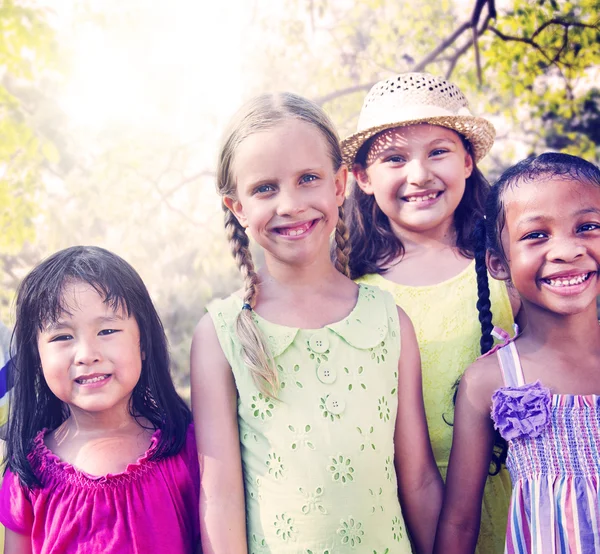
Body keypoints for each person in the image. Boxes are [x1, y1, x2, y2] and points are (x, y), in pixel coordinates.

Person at [191, 92, 442, 554]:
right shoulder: (220, 334)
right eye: (265, 188)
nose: (290, 203)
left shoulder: (388, 320)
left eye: (308, 178)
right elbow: (220, 498)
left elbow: (420, 480)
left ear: (339, 184)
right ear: (237, 207)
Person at [342, 72, 519, 553]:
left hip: (512, 490)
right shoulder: (351, 291)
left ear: (467, 161)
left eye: (437, 152)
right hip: (403, 502)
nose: (419, 174)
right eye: (395, 158)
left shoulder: (503, 268)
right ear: (362, 178)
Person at [435, 153, 600, 553]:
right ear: (497, 262)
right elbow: (459, 522)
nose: (566, 250)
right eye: (536, 235)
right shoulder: (490, 381)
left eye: (588, 227)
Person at [0, 246, 200, 554]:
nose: (87, 355)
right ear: (36, 357)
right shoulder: (27, 471)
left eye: (107, 330)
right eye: (62, 337)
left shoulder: (186, 450)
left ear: (143, 343)